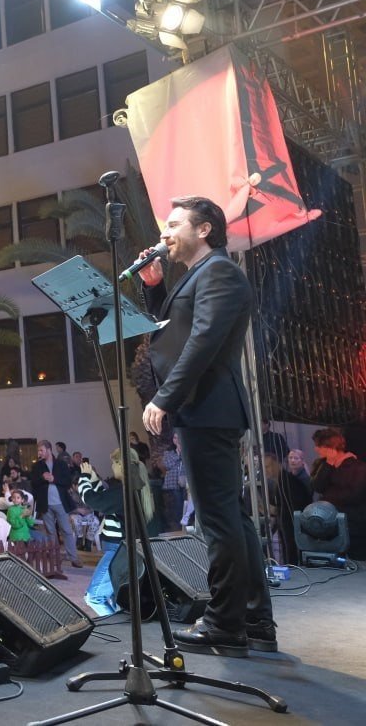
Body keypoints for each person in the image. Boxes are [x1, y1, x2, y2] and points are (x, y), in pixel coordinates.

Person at [138, 195, 274, 656]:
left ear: (204, 230)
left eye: (174, 224)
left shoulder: (218, 271)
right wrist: (155, 289)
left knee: (219, 522)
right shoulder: (197, 275)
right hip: (208, 409)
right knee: (232, 517)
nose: (164, 233)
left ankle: (224, 623)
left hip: (208, 408)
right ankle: (253, 619)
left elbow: (203, 341)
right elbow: (175, 330)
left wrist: (165, 397)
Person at [76, 448, 152, 617]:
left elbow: (94, 501)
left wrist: (84, 478)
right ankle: (123, 630)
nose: (112, 467)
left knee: (94, 597)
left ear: (120, 464)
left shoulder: (124, 492)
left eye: (113, 463)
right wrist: (95, 481)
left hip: (119, 550)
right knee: (114, 598)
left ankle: (120, 634)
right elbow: (106, 500)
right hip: (124, 548)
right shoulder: (135, 487)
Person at [309, 427, 366, 559]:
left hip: (352, 524)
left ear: (330, 447)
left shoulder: (357, 467)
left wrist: (327, 499)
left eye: (319, 446)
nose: (316, 449)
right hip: (331, 522)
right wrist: (328, 464)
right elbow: (316, 486)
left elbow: (355, 494)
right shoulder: (323, 465)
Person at [30, 441, 83, 568]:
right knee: (50, 532)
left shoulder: (61, 464)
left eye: (41, 450)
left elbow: (68, 481)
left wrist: (54, 479)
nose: (39, 453)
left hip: (60, 502)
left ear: (49, 450)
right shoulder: (37, 466)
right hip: (45, 504)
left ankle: (73, 558)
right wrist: (42, 478)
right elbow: (33, 483)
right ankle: (55, 558)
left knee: (66, 530)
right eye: (38, 451)